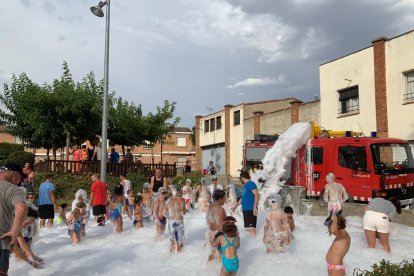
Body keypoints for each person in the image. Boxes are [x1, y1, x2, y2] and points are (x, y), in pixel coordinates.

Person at [0, 165, 30, 275]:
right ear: (14, 174)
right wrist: (14, 231)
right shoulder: (12, 189)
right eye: (20, 178)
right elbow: (21, 208)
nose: (19, 182)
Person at [233, 171, 259, 236]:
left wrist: (254, 207)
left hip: (250, 209)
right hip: (246, 209)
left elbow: (256, 195)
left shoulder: (251, 184)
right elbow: (243, 198)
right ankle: (254, 241)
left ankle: (254, 241)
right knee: (249, 228)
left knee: (249, 228)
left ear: (242, 177)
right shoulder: (246, 185)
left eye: (240, 178)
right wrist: (236, 205)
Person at [164, 185, 186, 253]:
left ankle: (170, 258)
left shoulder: (168, 201)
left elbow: (164, 213)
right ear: (178, 191)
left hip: (171, 222)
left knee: (172, 241)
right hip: (179, 221)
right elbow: (184, 212)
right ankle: (179, 258)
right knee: (180, 242)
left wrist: (170, 217)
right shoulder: (182, 200)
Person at [206, 189, 226, 261]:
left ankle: (206, 269)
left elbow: (208, 221)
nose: (225, 199)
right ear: (220, 198)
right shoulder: (221, 209)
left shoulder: (209, 207)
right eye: (224, 198)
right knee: (219, 255)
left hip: (210, 233)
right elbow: (221, 226)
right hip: (218, 234)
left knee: (212, 254)